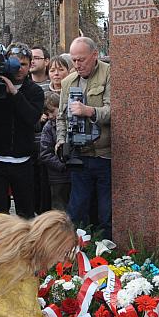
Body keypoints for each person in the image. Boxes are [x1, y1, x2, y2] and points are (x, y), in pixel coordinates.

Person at [0, 41, 44, 217]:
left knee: (26, 213)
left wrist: (14, 93)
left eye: (23, 64)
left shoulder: (34, 91)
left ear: (30, 66)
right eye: (15, 63)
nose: (19, 69)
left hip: (22, 161)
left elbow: (31, 118)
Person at [56, 37, 111, 237]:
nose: (77, 65)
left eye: (81, 59)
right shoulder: (68, 82)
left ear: (94, 55)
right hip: (79, 156)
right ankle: (76, 254)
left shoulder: (109, 74)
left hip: (105, 155)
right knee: (77, 211)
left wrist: (88, 111)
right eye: (74, 60)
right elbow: (61, 118)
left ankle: (109, 254)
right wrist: (61, 141)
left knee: (107, 213)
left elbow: (114, 111)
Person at [40, 91, 71, 211]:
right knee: (59, 207)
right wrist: (62, 165)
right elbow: (45, 153)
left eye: (52, 111)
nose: (51, 116)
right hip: (57, 177)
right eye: (47, 114)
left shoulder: (70, 122)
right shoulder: (49, 127)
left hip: (73, 175)